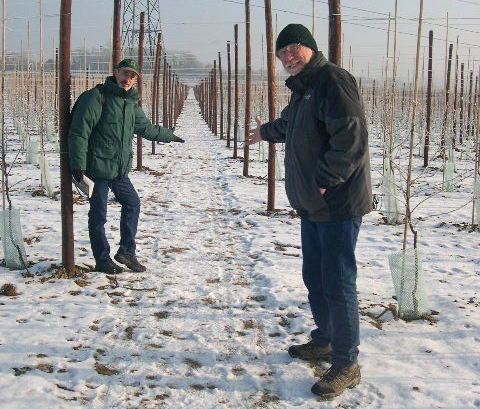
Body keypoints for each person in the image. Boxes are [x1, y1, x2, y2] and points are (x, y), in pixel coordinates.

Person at [246, 24, 372, 399]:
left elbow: (350, 135)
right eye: (281, 52)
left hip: (336, 202)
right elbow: (293, 125)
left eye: (293, 49)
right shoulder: (304, 90)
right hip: (312, 204)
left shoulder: (332, 81)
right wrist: (265, 132)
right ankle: (326, 339)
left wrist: (326, 178)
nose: (287, 57)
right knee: (315, 277)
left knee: (337, 282)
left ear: (310, 49)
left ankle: (347, 363)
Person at [68, 58, 185, 274]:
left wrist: (170, 136)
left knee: (132, 203)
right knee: (99, 215)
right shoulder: (98, 97)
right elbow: (79, 131)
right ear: (115, 72)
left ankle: (126, 252)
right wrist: (77, 166)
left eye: (133, 76)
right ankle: (102, 260)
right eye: (125, 74)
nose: (128, 79)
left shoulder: (131, 103)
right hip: (98, 168)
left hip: (119, 169)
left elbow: (146, 128)